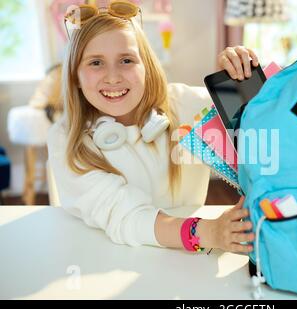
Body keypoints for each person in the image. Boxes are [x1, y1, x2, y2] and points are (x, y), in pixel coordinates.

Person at [47, 1, 259, 253]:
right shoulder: (66, 138)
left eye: (126, 60)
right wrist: (208, 232)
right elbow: (125, 216)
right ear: (75, 77)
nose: (113, 76)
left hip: (187, 260)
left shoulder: (184, 104)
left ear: (145, 67)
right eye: (95, 63)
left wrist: (245, 77)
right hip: (112, 256)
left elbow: (262, 118)